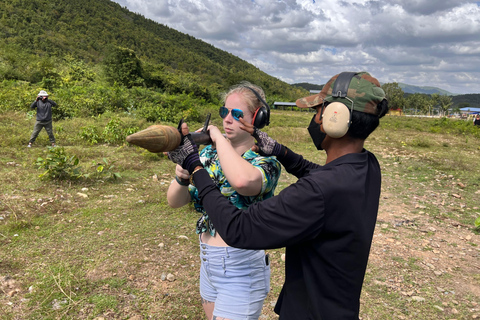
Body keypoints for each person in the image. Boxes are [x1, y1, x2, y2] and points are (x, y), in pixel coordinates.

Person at [168, 71, 389, 319]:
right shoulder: (365, 166)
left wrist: (195, 167)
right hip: (334, 306)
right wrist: (282, 152)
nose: (315, 119)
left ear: (336, 117)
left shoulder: (316, 191)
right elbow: (319, 174)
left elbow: (238, 228)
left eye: (319, 111)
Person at [166, 82, 281, 320]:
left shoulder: (266, 162)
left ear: (257, 119)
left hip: (241, 268)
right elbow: (175, 201)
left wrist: (216, 136)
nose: (227, 119)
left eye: (237, 114)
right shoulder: (207, 155)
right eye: (224, 112)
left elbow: (242, 182)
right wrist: (182, 175)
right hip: (208, 263)